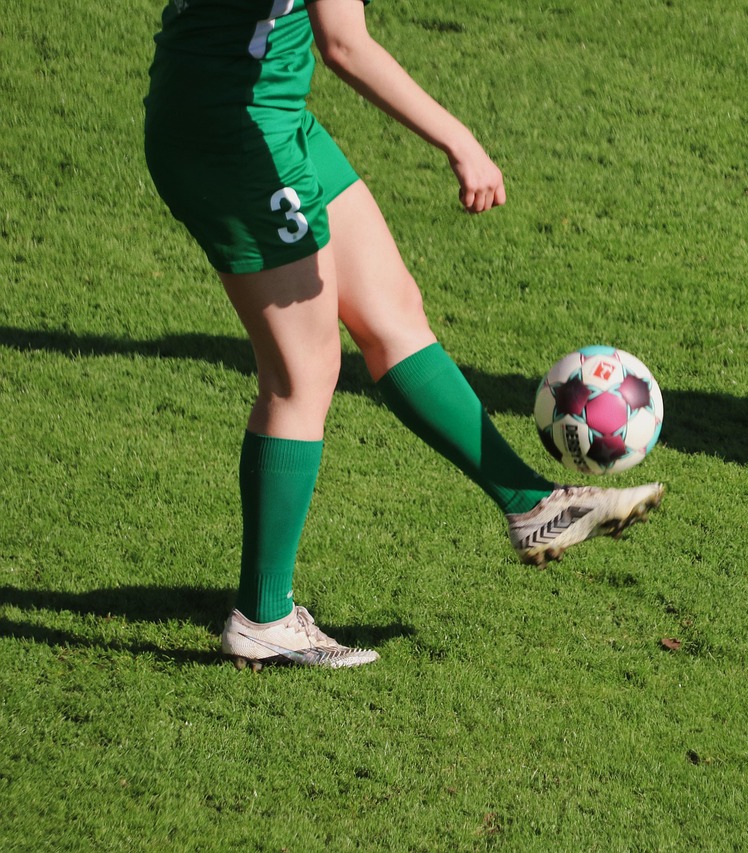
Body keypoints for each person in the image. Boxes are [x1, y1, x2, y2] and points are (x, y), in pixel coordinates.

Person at [143, 0, 664, 670]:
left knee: (392, 314)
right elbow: (345, 43)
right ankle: (263, 619)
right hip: (233, 132)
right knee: (302, 374)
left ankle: (531, 504)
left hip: (263, 108)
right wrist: (461, 141)